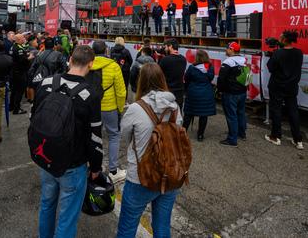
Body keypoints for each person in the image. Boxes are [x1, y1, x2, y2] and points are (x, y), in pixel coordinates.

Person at [35, 45, 103, 238]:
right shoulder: (90, 94)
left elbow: (35, 117)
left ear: (70, 60)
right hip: (73, 163)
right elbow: (95, 136)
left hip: (46, 155)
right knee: (68, 216)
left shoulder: (47, 82)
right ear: (91, 64)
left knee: (47, 204)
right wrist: (96, 167)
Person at [117, 63, 182, 238]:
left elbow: (125, 136)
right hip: (170, 173)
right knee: (162, 226)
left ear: (141, 81)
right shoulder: (174, 107)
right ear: (162, 79)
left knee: (127, 227)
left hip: (141, 177)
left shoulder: (135, 108)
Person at [91, 40, 127, 183]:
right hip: (110, 107)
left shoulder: (88, 64)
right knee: (113, 136)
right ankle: (113, 170)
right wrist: (120, 108)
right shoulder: (113, 66)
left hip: (92, 107)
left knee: (93, 137)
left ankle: (95, 167)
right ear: (106, 50)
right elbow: (121, 92)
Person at [265, 31, 304, 149]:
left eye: (280, 37)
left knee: (276, 110)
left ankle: (275, 136)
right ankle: (298, 140)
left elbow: (270, 67)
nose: (278, 39)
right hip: (292, 86)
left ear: (284, 40)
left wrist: (274, 55)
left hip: (277, 86)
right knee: (293, 111)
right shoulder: (299, 53)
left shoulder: (278, 53)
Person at [217, 42, 247, 147]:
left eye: (227, 48)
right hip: (242, 92)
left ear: (232, 49)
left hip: (230, 93)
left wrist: (219, 90)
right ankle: (241, 133)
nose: (226, 50)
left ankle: (232, 139)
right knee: (241, 113)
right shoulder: (244, 60)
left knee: (231, 116)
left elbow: (221, 79)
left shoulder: (228, 62)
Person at [183, 49, 215, 141]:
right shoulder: (210, 67)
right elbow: (211, 78)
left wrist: (188, 88)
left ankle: (183, 133)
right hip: (206, 93)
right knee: (203, 115)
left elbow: (186, 79)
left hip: (193, 93)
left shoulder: (192, 68)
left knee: (188, 114)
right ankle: (200, 135)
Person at [158, 39, 187, 109]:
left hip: (168, 92)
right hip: (179, 92)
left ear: (170, 46)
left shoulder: (165, 60)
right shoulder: (183, 59)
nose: (165, 49)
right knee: (178, 112)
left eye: (166, 47)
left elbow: (158, 73)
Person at [9, 33, 30, 115]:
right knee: (19, 91)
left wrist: (26, 55)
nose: (23, 39)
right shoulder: (18, 48)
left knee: (14, 90)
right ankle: (16, 109)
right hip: (20, 72)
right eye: (22, 38)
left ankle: (11, 106)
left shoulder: (13, 47)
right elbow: (22, 60)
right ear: (18, 40)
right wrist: (29, 57)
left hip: (14, 71)